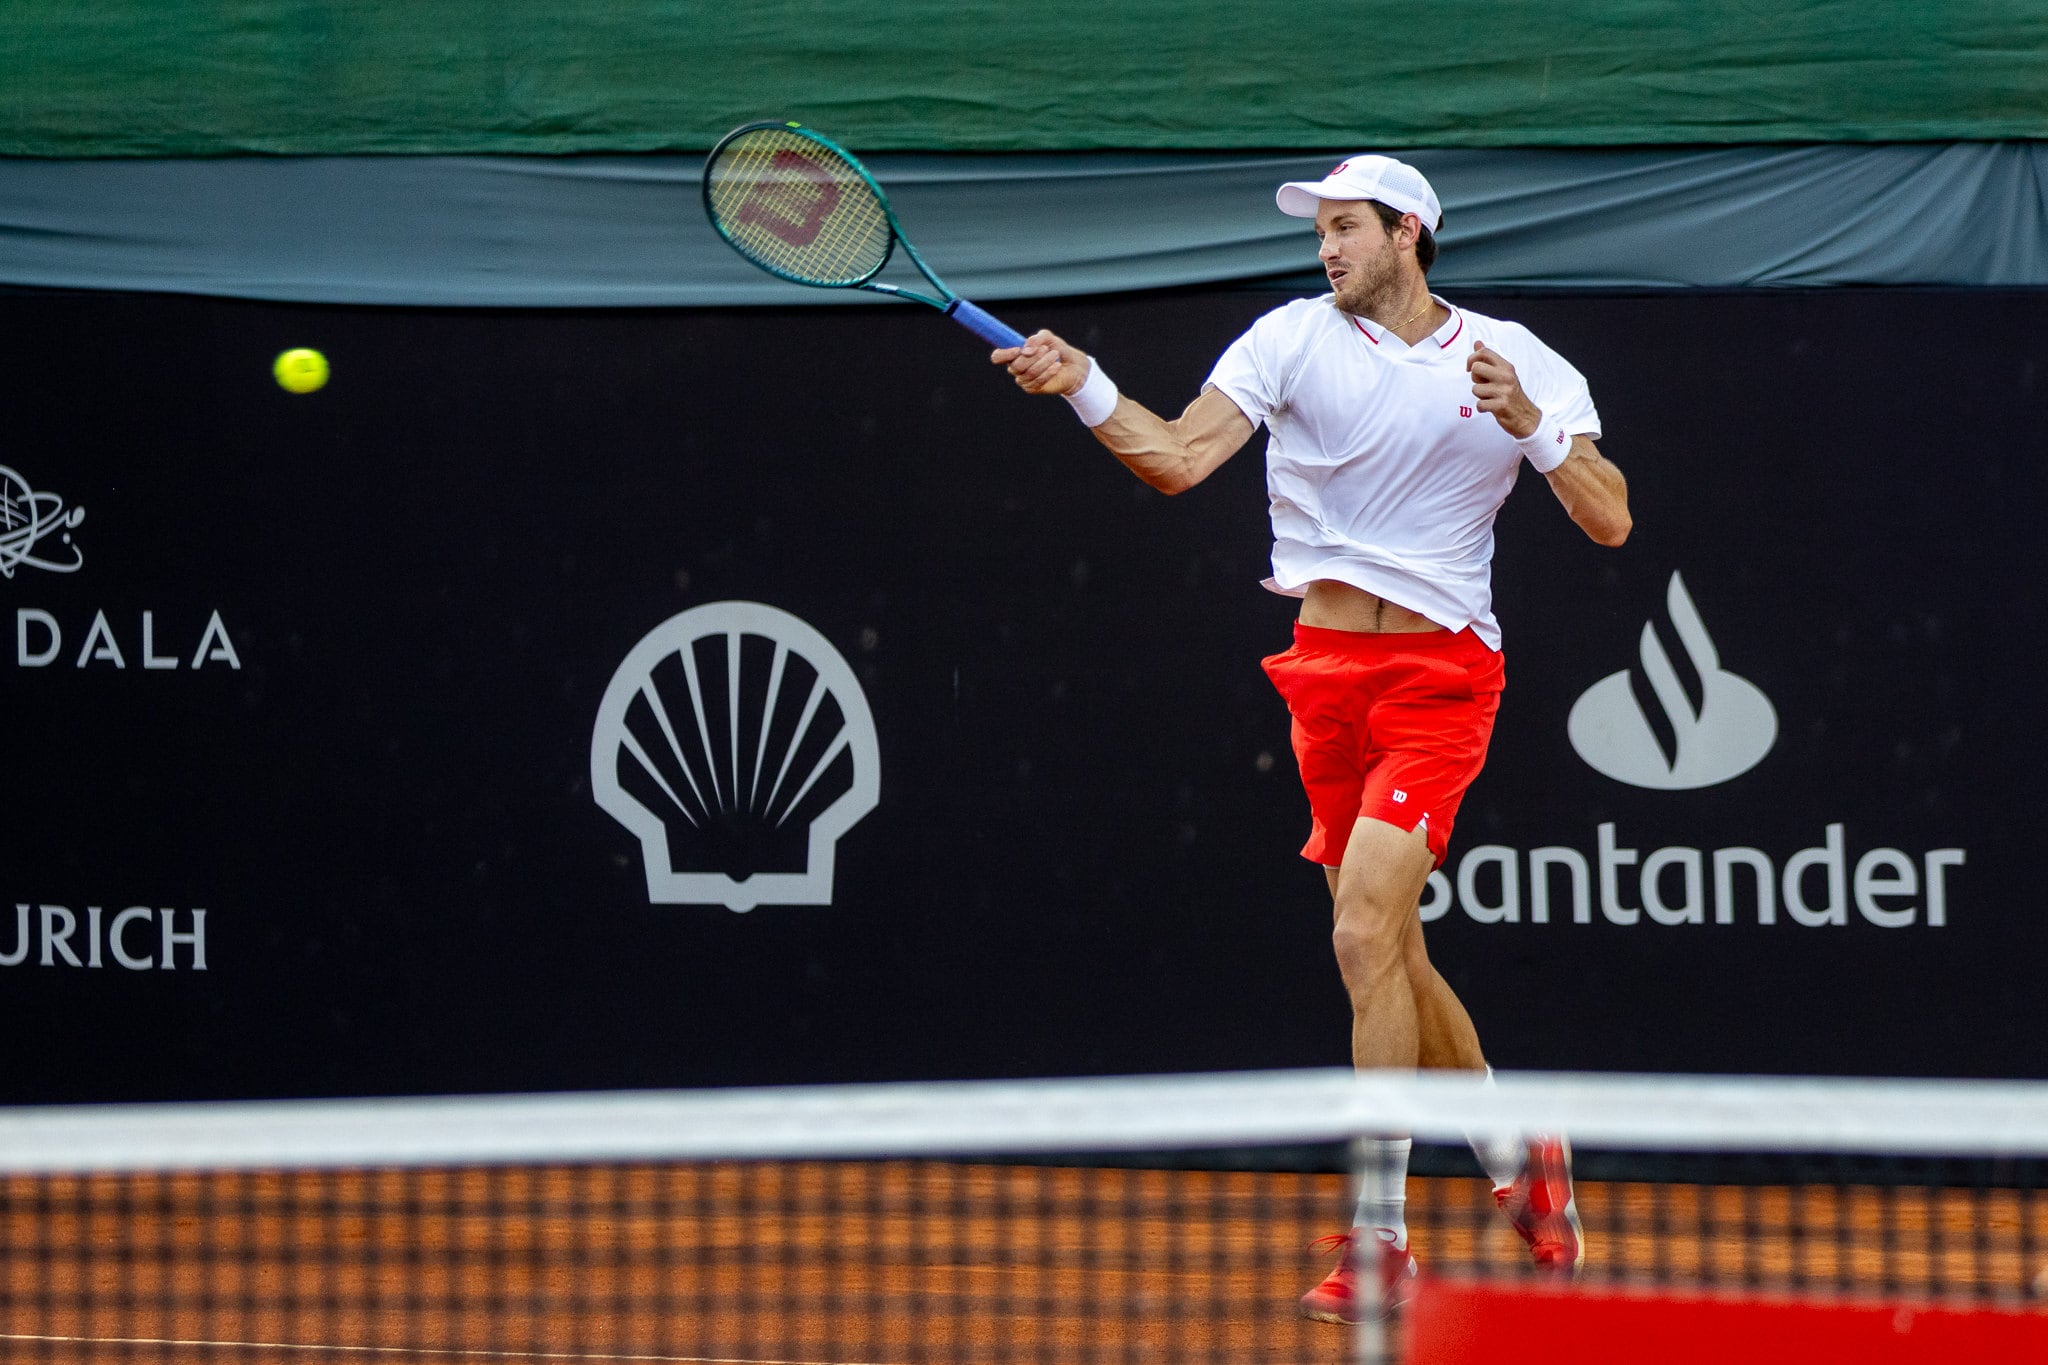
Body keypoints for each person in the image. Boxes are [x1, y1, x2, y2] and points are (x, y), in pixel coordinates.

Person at [991, 154, 1632, 1322]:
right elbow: (1177, 458)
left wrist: (1532, 428)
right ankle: (1514, 1149)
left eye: (1345, 228)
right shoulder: (1286, 339)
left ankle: (1381, 1241)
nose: (1326, 249)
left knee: (1355, 933)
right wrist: (1085, 385)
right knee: (1388, 949)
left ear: (1407, 234)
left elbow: (1609, 518)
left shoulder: (1512, 356)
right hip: (1321, 679)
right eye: (1320, 232)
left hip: (1440, 680)